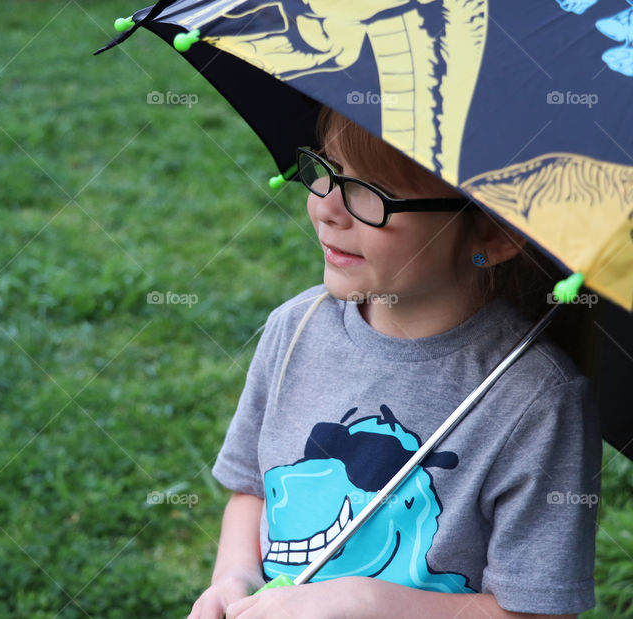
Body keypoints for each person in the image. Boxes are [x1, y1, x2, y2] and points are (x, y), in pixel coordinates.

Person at [188, 108, 601, 619]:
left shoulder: (536, 398)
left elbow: (538, 611)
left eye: (373, 193)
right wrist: (235, 577)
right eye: (327, 168)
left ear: (493, 236)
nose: (327, 208)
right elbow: (253, 488)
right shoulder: (294, 328)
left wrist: (368, 602)